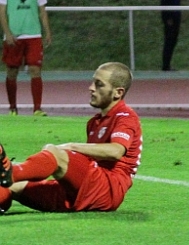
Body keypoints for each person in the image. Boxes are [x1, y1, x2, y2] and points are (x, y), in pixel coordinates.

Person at [0, 62, 142, 214]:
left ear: (118, 93)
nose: (91, 88)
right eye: (93, 82)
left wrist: (70, 146)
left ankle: (11, 172)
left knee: (54, 152)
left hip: (107, 189)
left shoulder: (125, 117)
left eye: (99, 84)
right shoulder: (94, 122)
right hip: (84, 191)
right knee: (11, 187)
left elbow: (116, 151)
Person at [0, 0, 53, 116]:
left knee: (35, 70)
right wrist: (7, 32)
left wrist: (47, 31)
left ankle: (37, 108)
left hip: (33, 34)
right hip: (14, 35)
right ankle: (13, 108)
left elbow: (42, 11)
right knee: (12, 72)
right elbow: (2, 11)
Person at [160, 0, 182, 71]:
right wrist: (167, 17)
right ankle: (165, 65)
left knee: (174, 40)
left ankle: (168, 64)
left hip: (177, 15)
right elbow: (163, 1)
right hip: (169, 16)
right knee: (168, 40)